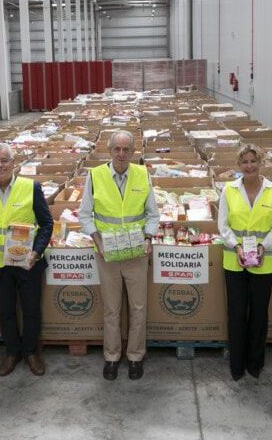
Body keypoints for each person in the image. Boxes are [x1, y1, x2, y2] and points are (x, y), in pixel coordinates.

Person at [78, 130, 160, 381]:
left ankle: (135, 356)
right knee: (112, 309)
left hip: (136, 254)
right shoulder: (96, 176)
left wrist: (148, 238)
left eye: (126, 149)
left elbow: (153, 214)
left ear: (134, 152)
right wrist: (97, 239)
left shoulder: (141, 174)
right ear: (109, 150)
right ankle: (112, 356)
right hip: (108, 255)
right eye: (117, 149)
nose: (121, 154)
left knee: (138, 308)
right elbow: (84, 215)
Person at [0, 143, 53, 376]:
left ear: (14, 162)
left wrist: (36, 252)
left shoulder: (30, 187)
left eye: (4, 160)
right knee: (5, 310)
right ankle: (12, 352)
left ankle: (31, 353)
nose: (0, 166)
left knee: (31, 309)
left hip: (27, 262)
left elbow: (47, 224)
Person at [217, 144, 272, 381]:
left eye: (253, 161)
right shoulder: (229, 190)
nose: (249, 166)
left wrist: (261, 247)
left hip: (263, 261)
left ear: (261, 163)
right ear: (239, 165)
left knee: (258, 313)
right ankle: (237, 364)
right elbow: (223, 225)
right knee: (236, 313)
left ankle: (255, 363)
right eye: (244, 162)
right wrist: (236, 246)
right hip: (234, 259)